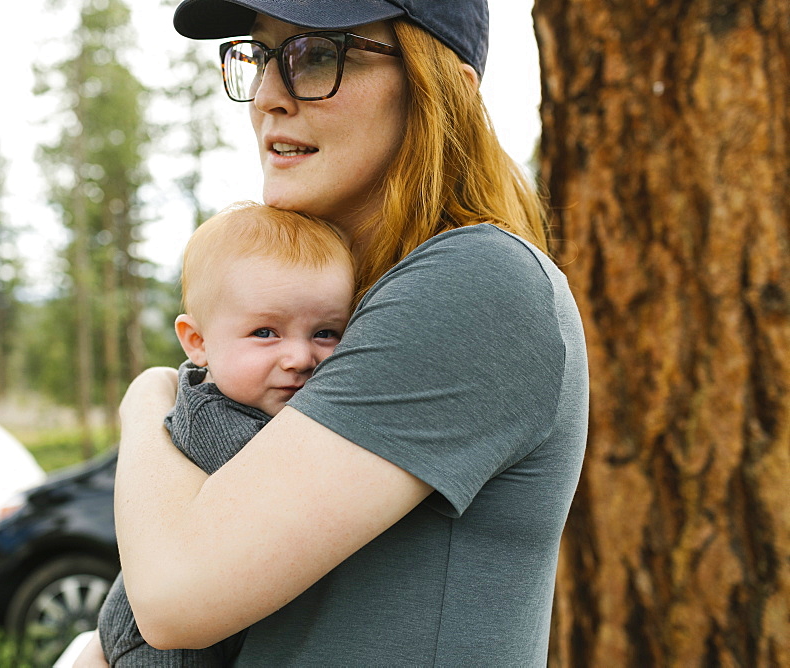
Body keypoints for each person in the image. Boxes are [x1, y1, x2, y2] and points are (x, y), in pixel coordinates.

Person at [76, 1, 588, 665]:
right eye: (260, 56)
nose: (266, 97)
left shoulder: (479, 281)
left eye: (317, 55)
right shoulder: (364, 312)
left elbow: (174, 597)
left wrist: (146, 399)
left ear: (443, 88)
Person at [95, 202, 354, 666]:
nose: (299, 357)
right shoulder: (210, 416)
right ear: (197, 342)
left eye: (326, 332)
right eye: (265, 332)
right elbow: (291, 485)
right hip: (158, 649)